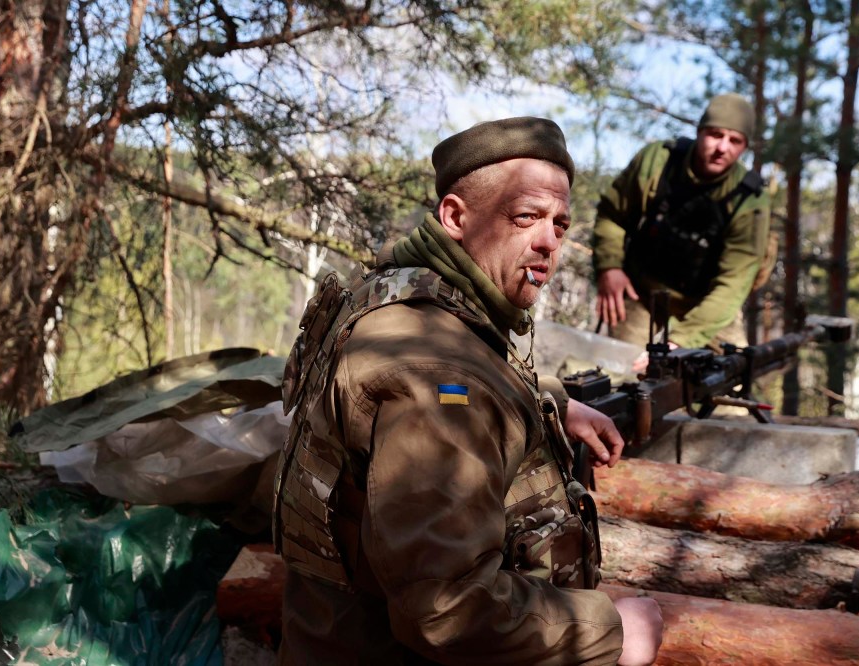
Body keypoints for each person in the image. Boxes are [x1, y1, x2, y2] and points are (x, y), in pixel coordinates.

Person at [274, 117, 664, 665]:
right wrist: (612, 632)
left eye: (560, 224)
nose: (547, 241)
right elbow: (446, 609)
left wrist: (547, 399)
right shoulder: (435, 375)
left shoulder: (400, 295)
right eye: (525, 216)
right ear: (456, 217)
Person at [592, 93, 771, 372]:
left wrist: (681, 342)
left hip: (708, 305)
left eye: (735, 141)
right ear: (699, 133)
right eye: (715, 135)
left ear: (745, 147)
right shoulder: (657, 162)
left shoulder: (750, 199)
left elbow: (732, 286)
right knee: (621, 379)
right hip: (643, 293)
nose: (722, 147)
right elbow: (612, 215)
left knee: (733, 386)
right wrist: (609, 267)